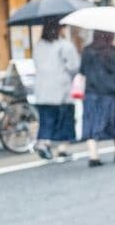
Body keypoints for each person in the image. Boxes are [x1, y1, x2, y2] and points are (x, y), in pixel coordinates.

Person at [80, 30, 115, 166]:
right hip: (113, 93)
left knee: (92, 123)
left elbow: (82, 71)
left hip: (92, 93)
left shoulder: (87, 51)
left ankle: (93, 155)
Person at [31, 20, 80, 161]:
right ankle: (62, 148)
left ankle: (43, 142)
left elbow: (36, 63)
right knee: (65, 119)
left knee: (46, 118)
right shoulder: (65, 45)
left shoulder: (38, 46)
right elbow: (74, 66)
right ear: (59, 29)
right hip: (61, 88)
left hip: (41, 88)